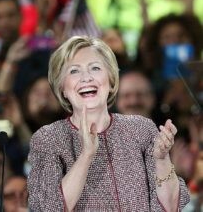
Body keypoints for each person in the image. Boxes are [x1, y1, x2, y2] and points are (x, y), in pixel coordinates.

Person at [28, 35, 190, 211]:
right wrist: (86, 155)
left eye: (95, 68)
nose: (86, 78)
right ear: (62, 88)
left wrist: (162, 159)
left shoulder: (141, 129)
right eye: (74, 71)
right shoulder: (48, 139)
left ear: (111, 81)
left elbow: (171, 206)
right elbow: (47, 207)